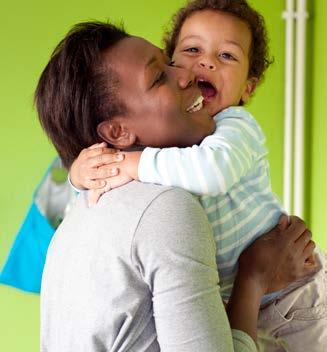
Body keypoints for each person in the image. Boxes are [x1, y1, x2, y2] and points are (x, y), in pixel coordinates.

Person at [35, 21, 315, 352]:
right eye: (159, 77)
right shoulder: (165, 208)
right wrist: (253, 280)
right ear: (116, 133)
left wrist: (84, 173)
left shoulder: (74, 223)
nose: (187, 73)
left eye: (168, 63)